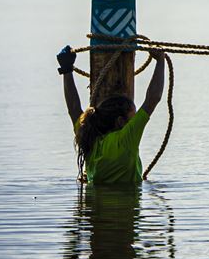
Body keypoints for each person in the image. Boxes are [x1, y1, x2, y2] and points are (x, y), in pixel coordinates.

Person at [57, 45, 166, 183]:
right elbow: (153, 98)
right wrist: (160, 60)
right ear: (120, 121)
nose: (135, 119)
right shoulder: (127, 139)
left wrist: (66, 69)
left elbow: (73, 108)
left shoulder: (90, 140)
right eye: (133, 116)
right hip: (129, 197)